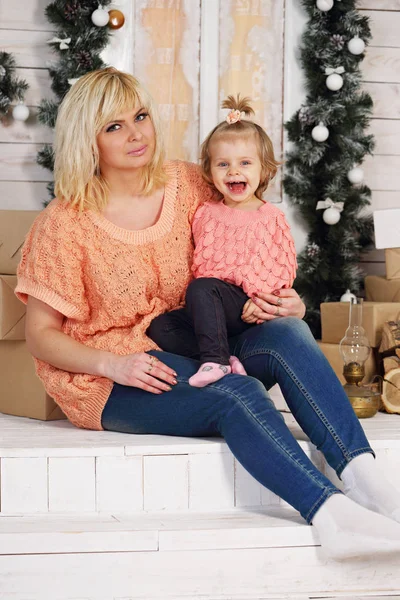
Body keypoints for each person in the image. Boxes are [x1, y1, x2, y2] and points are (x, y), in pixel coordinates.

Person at [16, 67, 400, 562]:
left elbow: (251, 244)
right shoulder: (63, 224)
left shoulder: (190, 182)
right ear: (86, 140)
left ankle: (365, 478)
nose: (136, 134)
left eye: (141, 116)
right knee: (232, 393)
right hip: (116, 371)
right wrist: (112, 365)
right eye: (114, 126)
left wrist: (288, 299)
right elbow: (41, 336)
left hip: (200, 338)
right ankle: (331, 515)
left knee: (287, 332)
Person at [148, 95, 297, 388]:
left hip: (246, 306)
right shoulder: (205, 213)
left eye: (245, 163)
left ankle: (214, 361)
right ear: (210, 172)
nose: (234, 171)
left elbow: (282, 267)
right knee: (162, 326)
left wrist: (261, 299)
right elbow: (201, 261)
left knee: (204, 287)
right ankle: (225, 360)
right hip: (209, 307)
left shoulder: (270, 217)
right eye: (223, 164)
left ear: (264, 169)